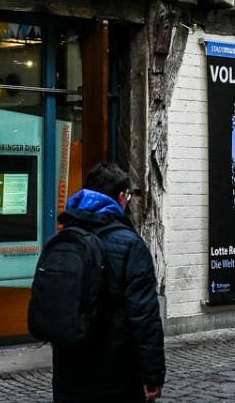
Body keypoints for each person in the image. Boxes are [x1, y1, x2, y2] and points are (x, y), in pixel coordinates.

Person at [48, 162, 166, 402]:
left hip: (68, 370)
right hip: (117, 374)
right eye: (129, 196)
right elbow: (144, 316)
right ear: (121, 197)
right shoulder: (130, 245)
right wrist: (153, 375)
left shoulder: (65, 237)